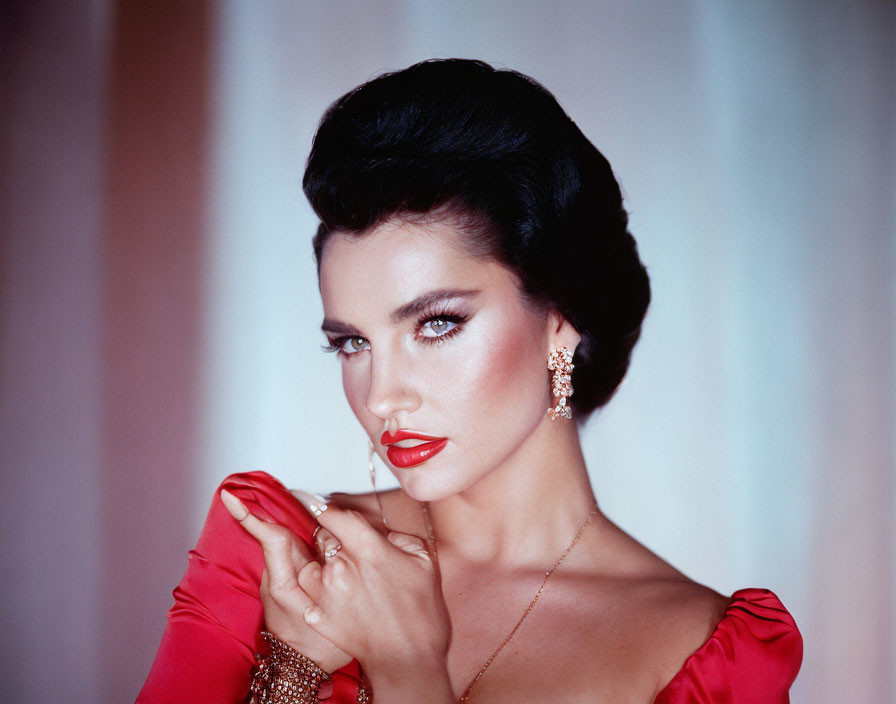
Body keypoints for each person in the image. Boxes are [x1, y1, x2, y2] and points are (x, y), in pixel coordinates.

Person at [138, 59, 802, 703]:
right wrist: (289, 669)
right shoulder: (276, 552)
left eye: (436, 325)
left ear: (560, 318)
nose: (382, 395)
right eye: (352, 343)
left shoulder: (701, 657)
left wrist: (409, 671)